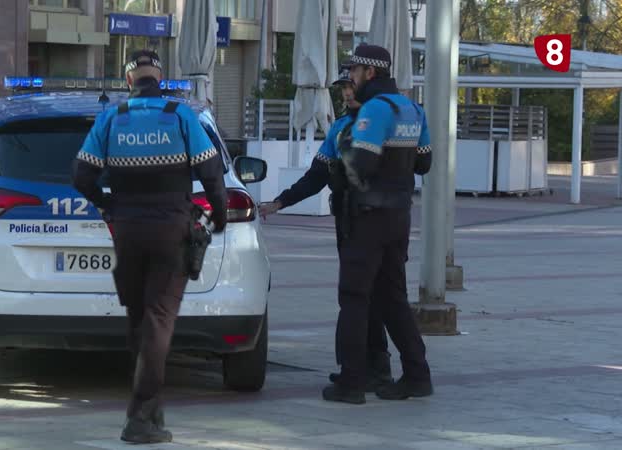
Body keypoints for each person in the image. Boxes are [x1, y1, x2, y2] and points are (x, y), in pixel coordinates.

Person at [71, 50, 228, 444]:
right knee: (159, 319)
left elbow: (81, 176)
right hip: (170, 228)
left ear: (129, 81)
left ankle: (151, 410)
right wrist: (220, 216)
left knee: (139, 319)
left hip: (127, 229)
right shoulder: (179, 114)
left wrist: (108, 204)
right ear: (161, 78)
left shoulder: (112, 118)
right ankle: (140, 417)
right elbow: (211, 174)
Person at [259, 64, 394, 394]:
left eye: (350, 86)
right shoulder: (339, 129)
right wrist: (279, 202)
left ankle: (365, 371)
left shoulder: (379, 123)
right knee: (364, 296)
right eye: (343, 89)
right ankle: (374, 368)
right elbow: (315, 177)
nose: (347, 93)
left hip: (376, 220)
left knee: (368, 296)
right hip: (351, 220)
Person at [322, 44, 434, 404]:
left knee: (355, 298)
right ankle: (417, 375)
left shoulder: (375, 109)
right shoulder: (412, 108)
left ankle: (353, 382)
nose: (351, 77)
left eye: (354, 71)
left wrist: (342, 163)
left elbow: (361, 166)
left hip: (366, 218)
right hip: (398, 217)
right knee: (393, 299)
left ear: (370, 72)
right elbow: (424, 165)